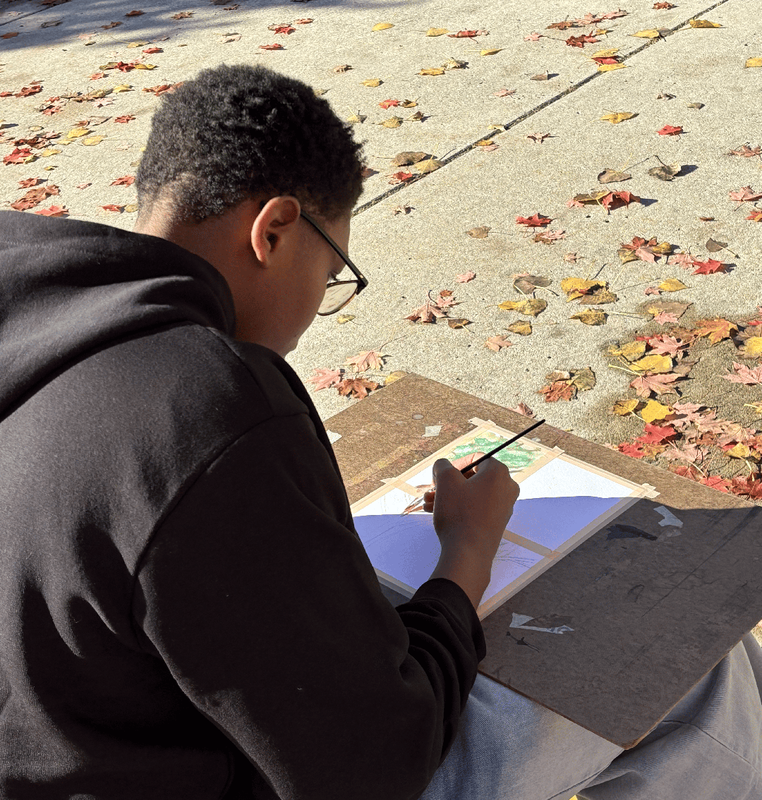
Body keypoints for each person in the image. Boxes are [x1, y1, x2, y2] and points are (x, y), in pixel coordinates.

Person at [0, 63, 758, 800]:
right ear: (276, 230)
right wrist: (465, 555)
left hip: (67, 744)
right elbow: (374, 764)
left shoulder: (34, 304)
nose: (318, 305)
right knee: (689, 669)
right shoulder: (207, 400)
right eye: (332, 275)